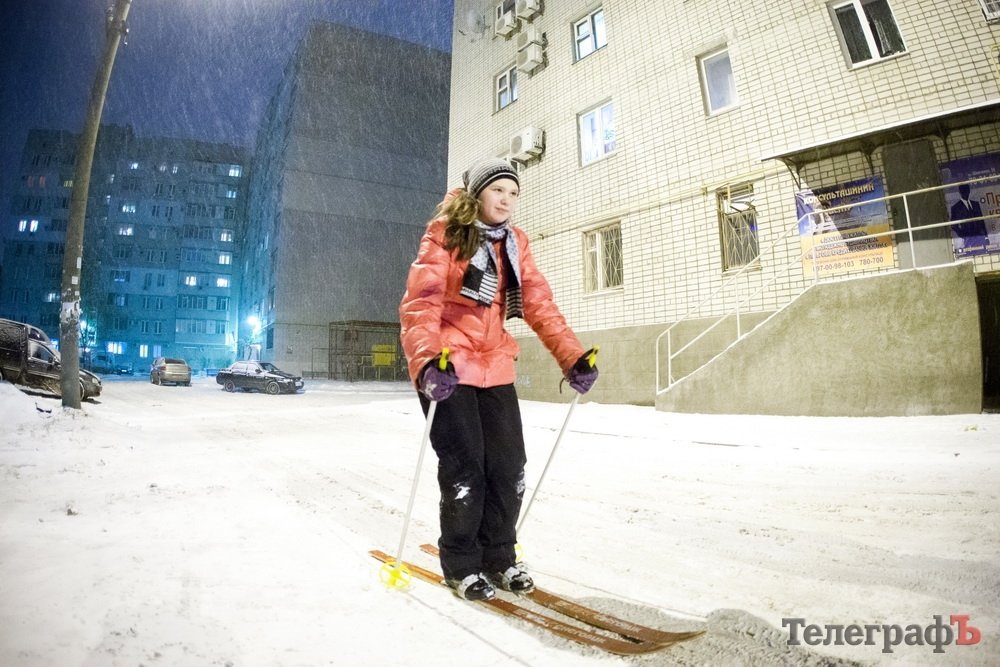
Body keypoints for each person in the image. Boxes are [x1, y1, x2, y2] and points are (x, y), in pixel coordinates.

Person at [399, 157, 598, 601]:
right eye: (498, 191)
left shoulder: (514, 242)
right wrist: (428, 363)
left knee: (509, 469)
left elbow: (539, 304)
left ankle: (500, 556)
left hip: (496, 367)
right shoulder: (445, 236)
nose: (507, 200)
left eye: (513, 193)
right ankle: (462, 564)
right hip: (448, 370)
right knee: (465, 468)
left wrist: (572, 358)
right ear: (477, 195)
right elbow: (422, 303)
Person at [949, 183, 987, 249]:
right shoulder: (956, 208)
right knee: (971, 254)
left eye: (967, 191)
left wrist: (986, 236)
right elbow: (953, 225)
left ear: (969, 191)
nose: (966, 193)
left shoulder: (976, 204)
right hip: (968, 239)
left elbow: (981, 221)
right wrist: (963, 234)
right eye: (963, 191)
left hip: (980, 237)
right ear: (960, 192)